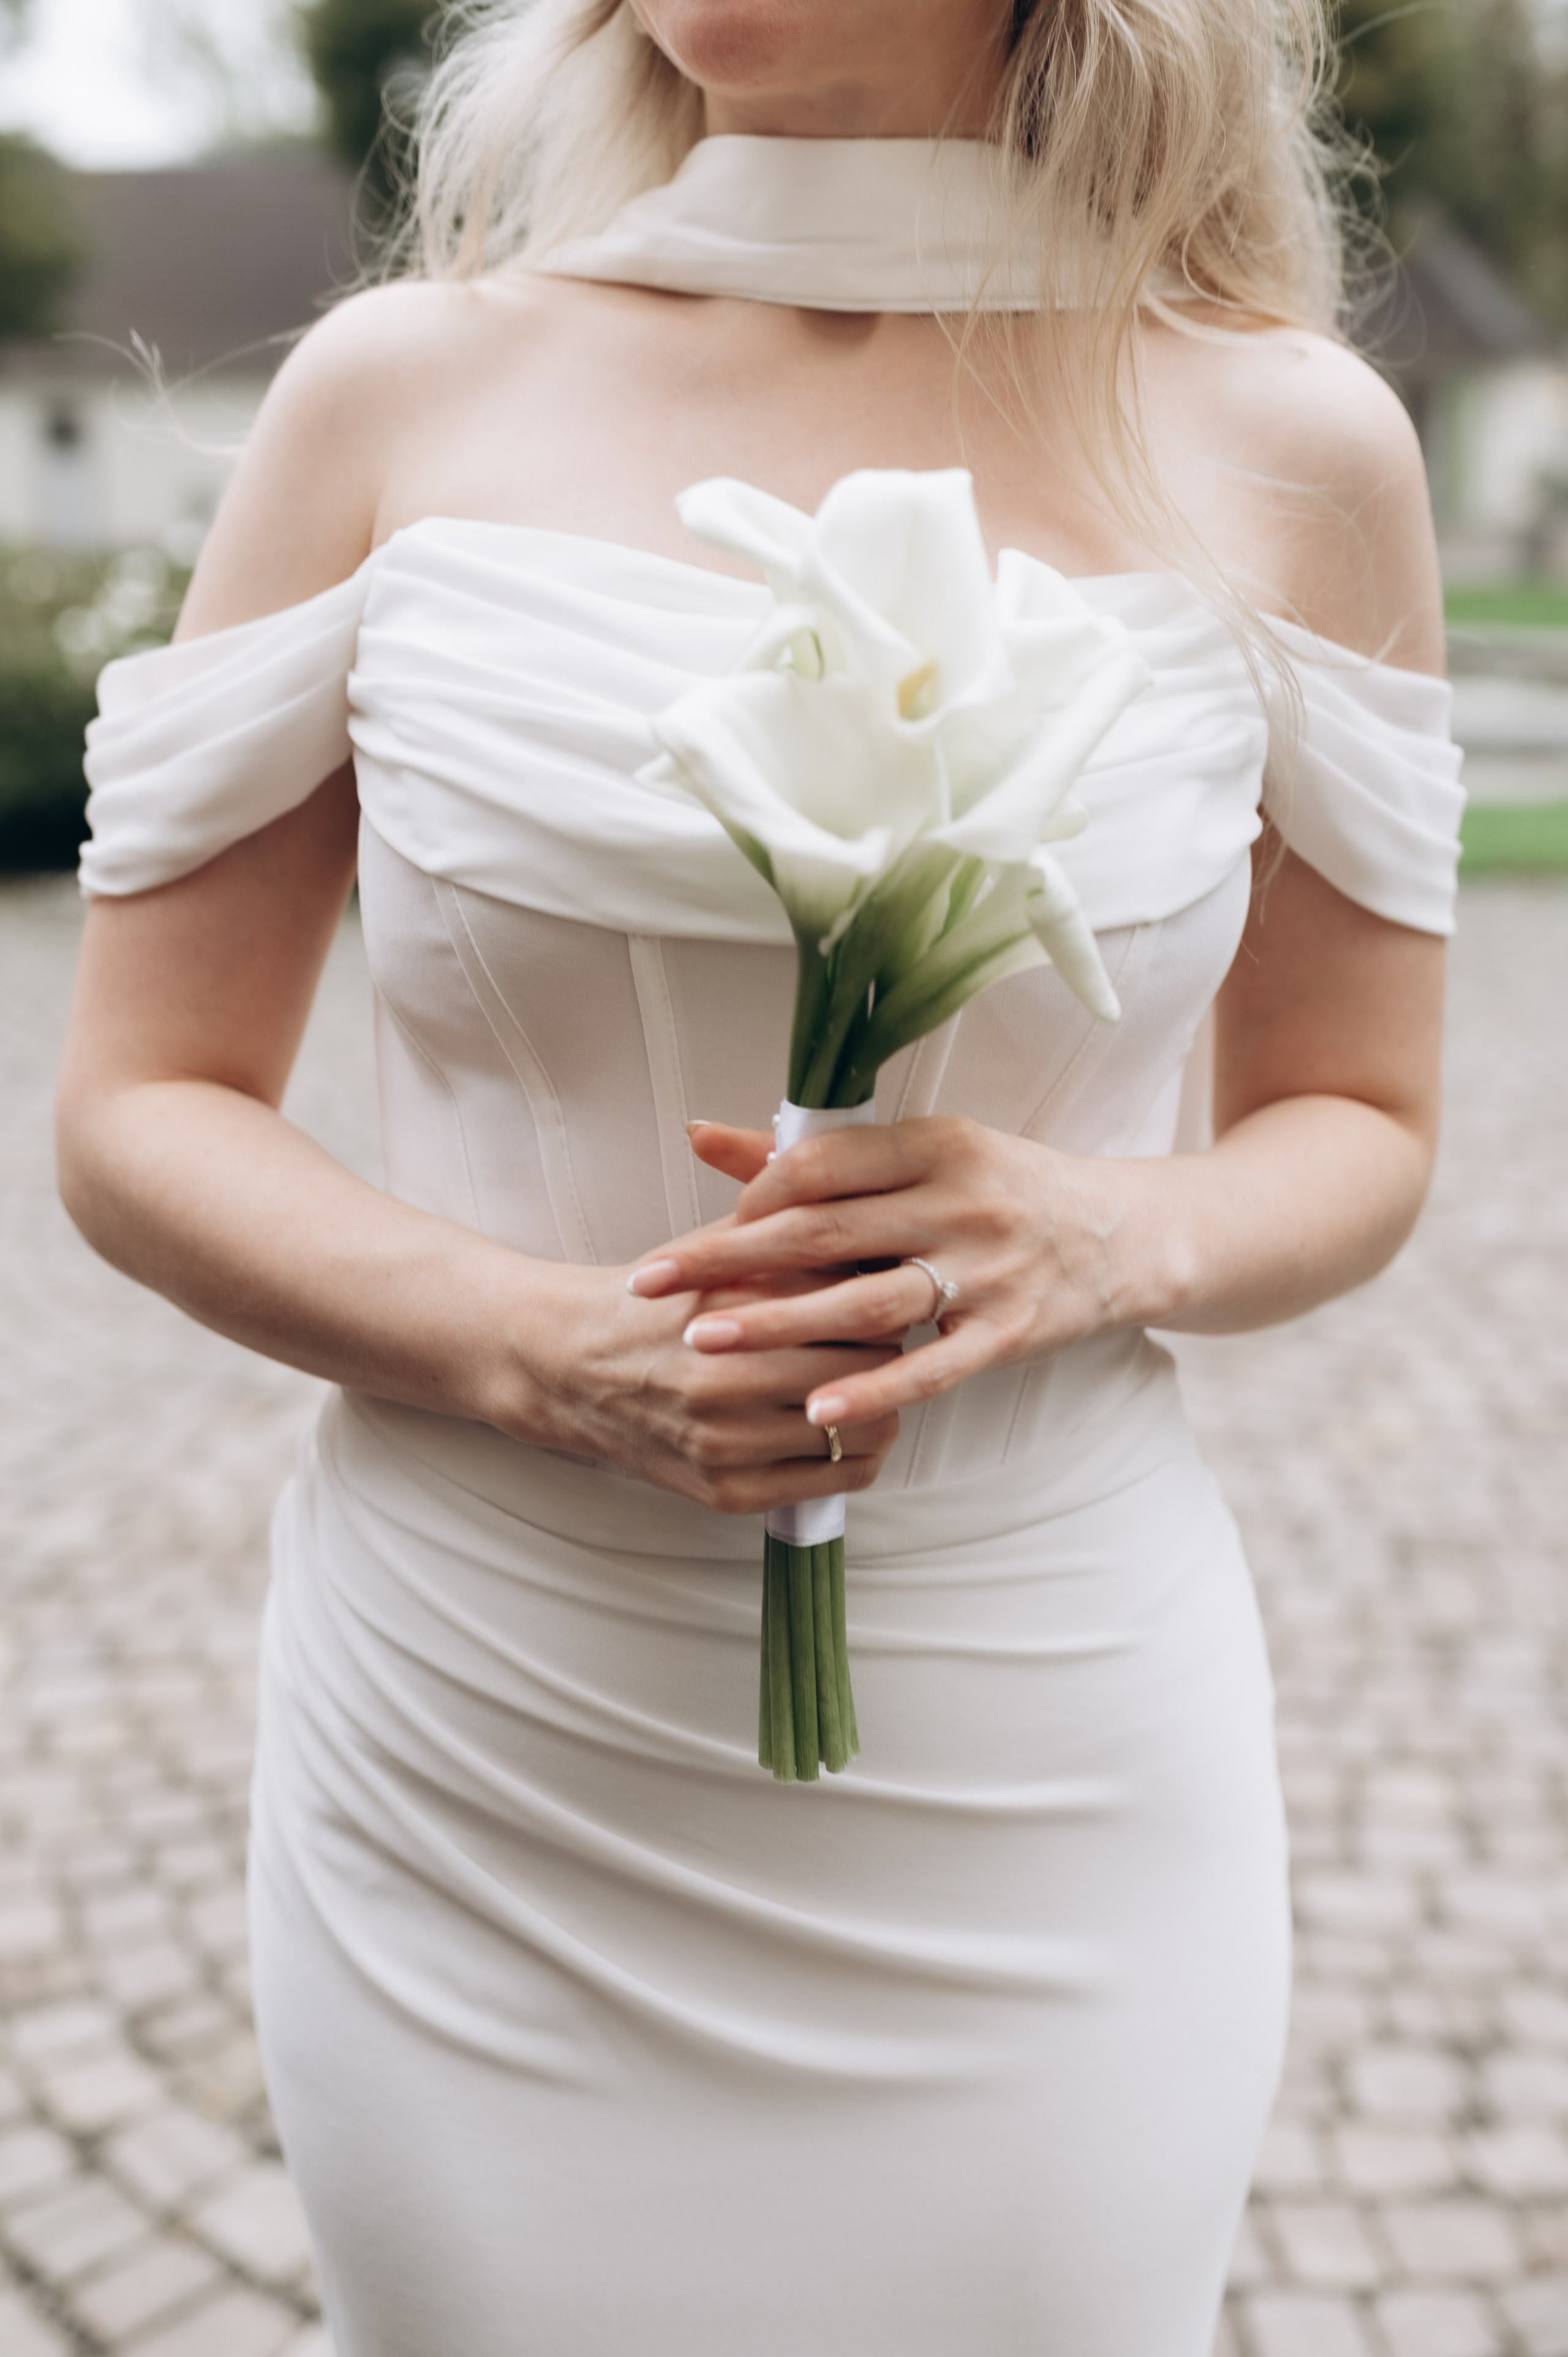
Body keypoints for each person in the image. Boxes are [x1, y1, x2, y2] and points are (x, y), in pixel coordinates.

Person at [55, 0, 1461, 2349]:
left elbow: (1370, 1120)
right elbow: (137, 1106)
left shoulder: (1291, 441)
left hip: (1042, 1727)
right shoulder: (399, 392)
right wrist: (537, 1347)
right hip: (498, 1721)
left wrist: (1118, 1227)